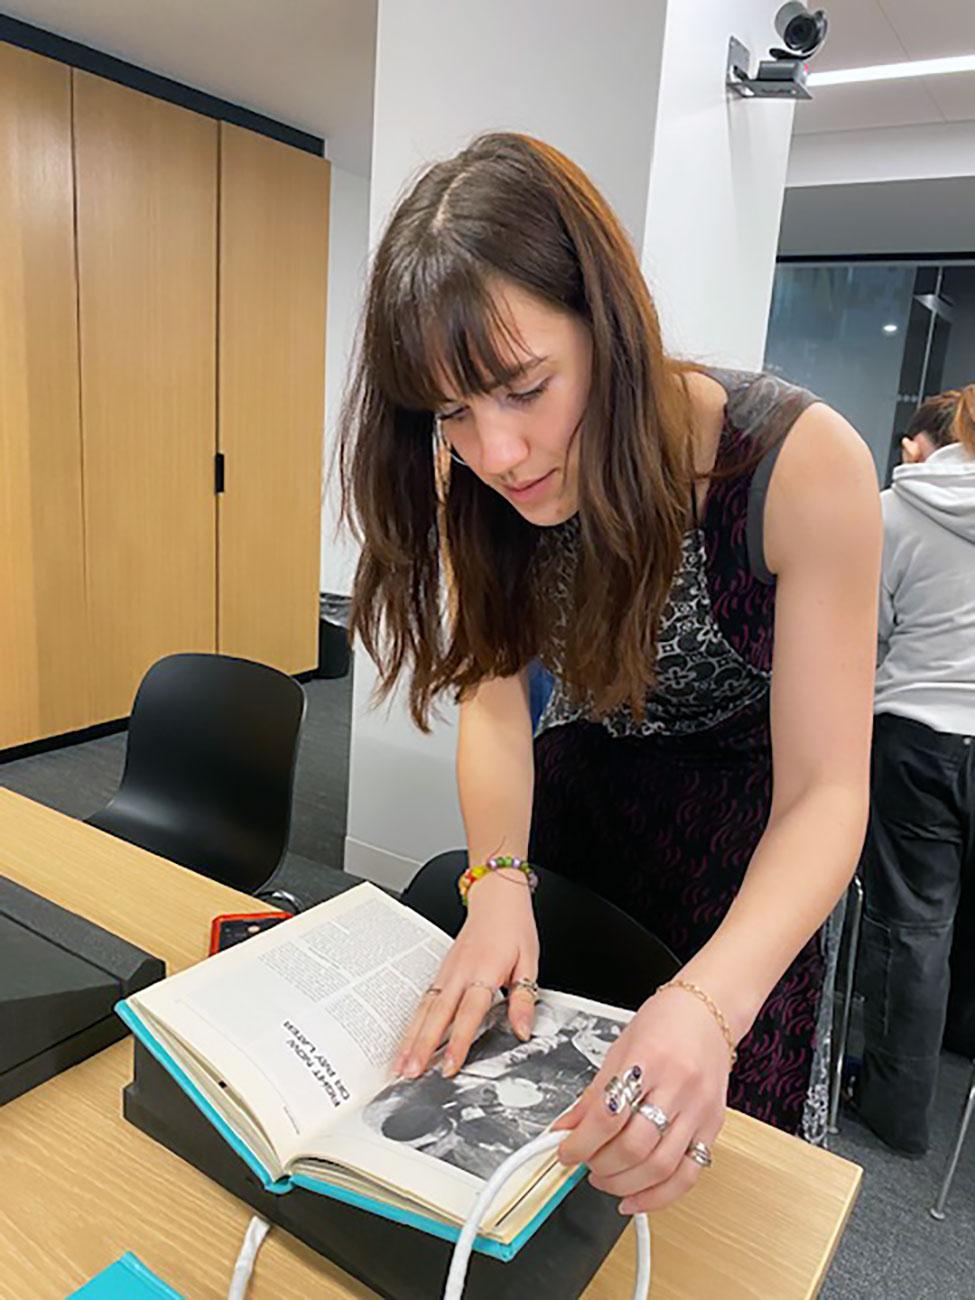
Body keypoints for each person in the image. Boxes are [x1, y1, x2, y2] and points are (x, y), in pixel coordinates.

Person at [341, 132, 880, 1215]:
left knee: (689, 1203)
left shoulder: (798, 465)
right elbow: (496, 702)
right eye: (452, 413)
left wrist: (712, 1006)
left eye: (523, 388)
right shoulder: (480, 484)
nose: (495, 454)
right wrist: (498, 879)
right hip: (579, 824)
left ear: (611, 325)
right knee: (524, 1173)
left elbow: (827, 793)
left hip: (746, 867)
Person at [856, 385, 975, 1156]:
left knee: (913, 929)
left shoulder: (897, 511)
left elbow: (865, 635)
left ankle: (897, 1113)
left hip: (919, 735)